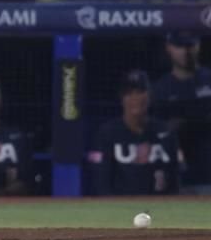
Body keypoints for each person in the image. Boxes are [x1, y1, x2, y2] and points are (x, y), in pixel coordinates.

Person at [88, 70, 180, 196]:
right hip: (119, 207)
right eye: (129, 93)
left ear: (149, 95)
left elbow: (174, 179)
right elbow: (101, 182)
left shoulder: (165, 131)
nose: (135, 98)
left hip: (160, 207)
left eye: (140, 92)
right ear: (121, 98)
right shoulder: (108, 133)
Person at [151, 31, 211, 188]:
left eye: (190, 45)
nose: (186, 51)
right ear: (169, 47)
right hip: (178, 176)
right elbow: (157, 131)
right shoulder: (160, 89)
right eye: (180, 46)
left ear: (198, 46)